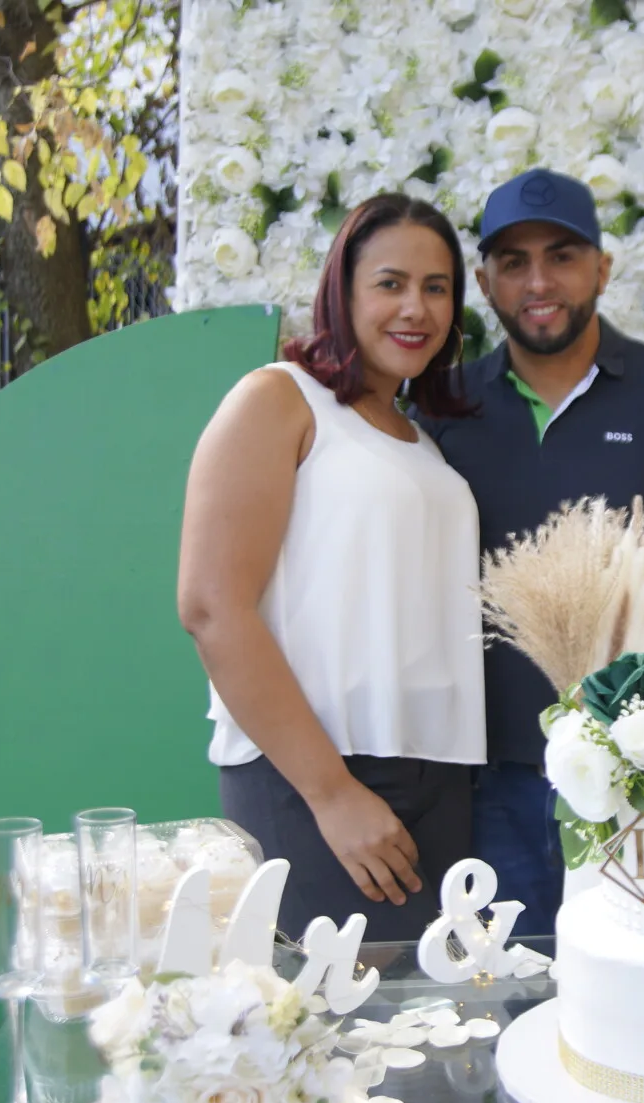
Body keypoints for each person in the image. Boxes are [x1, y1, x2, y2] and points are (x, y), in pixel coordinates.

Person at [417, 169, 644, 935]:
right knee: (506, 993)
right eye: (513, 262)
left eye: (562, 255)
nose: (539, 281)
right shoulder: (440, 404)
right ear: (484, 282)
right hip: (487, 779)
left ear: (603, 269)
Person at [177, 193, 486, 942]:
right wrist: (331, 791)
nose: (416, 307)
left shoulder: (423, 440)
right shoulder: (278, 399)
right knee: (327, 1034)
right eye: (390, 282)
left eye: (436, 287)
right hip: (316, 772)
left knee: (423, 1037)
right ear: (341, 292)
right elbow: (212, 606)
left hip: (436, 777)